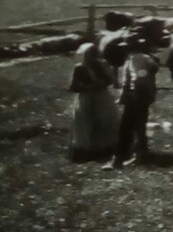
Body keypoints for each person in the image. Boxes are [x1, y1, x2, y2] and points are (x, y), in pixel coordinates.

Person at [106, 38, 158, 169]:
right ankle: (141, 154)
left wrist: (135, 93)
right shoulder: (142, 57)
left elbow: (139, 76)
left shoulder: (136, 59)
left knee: (126, 128)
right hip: (141, 96)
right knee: (139, 126)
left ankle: (119, 158)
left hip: (136, 97)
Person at [67, 42, 118, 159]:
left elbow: (110, 80)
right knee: (86, 121)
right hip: (87, 97)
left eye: (94, 54)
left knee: (105, 120)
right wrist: (87, 87)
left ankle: (106, 146)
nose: (92, 57)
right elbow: (73, 87)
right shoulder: (79, 68)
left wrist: (101, 84)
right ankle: (87, 147)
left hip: (101, 96)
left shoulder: (101, 65)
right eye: (89, 54)